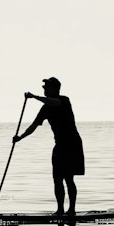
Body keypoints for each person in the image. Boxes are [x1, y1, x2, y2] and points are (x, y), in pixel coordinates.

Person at [13, 77, 86, 218]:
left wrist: (34, 97)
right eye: (43, 88)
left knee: (69, 178)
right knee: (57, 178)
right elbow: (34, 126)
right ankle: (59, 210)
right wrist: (20, 137)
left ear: (54, 89)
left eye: (46, 87)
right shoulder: (45, 108)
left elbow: (55, 102)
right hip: (59, 145)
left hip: (72, 144)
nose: (44, 89)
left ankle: (71, 210)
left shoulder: (64, 100)